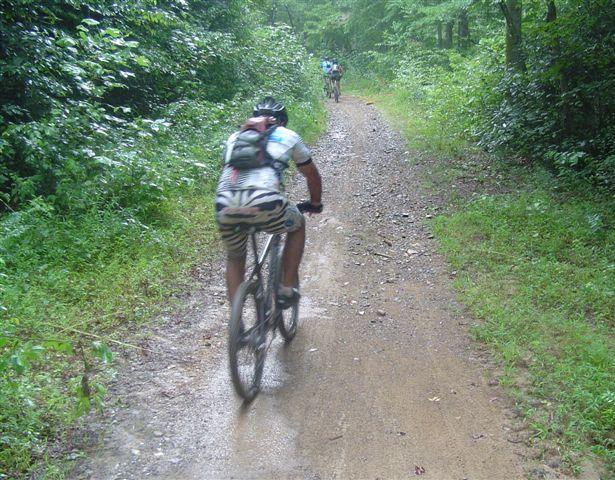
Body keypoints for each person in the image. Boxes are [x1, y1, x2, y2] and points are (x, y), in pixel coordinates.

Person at [215, 97, 323, 308]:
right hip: (265, 201)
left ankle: (238, 326)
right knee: (298, 223)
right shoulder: (288, 135)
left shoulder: (235, 137)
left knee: (235, 256)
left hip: (224, 202)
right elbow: (312, 175)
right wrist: (315, 203)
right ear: (282, 121)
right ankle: (285, 289)